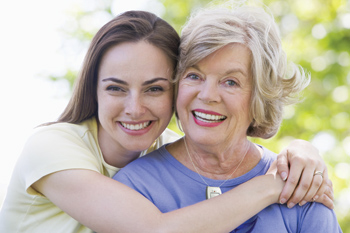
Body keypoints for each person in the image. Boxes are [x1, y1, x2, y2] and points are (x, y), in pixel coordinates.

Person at [0, 10, 333, 233]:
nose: (135, 108)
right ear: (93, 89)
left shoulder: (158, 145)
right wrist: (273, 185)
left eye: (154, 88)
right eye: (116, 88)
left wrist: (304, 153)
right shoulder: (51, 148)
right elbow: (155, 230)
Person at [114, 5, 342, 232]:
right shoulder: (135, 187)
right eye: (194, 75)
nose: (207, 95)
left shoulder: (301, 183)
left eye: (231, 82)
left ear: (260, 96)